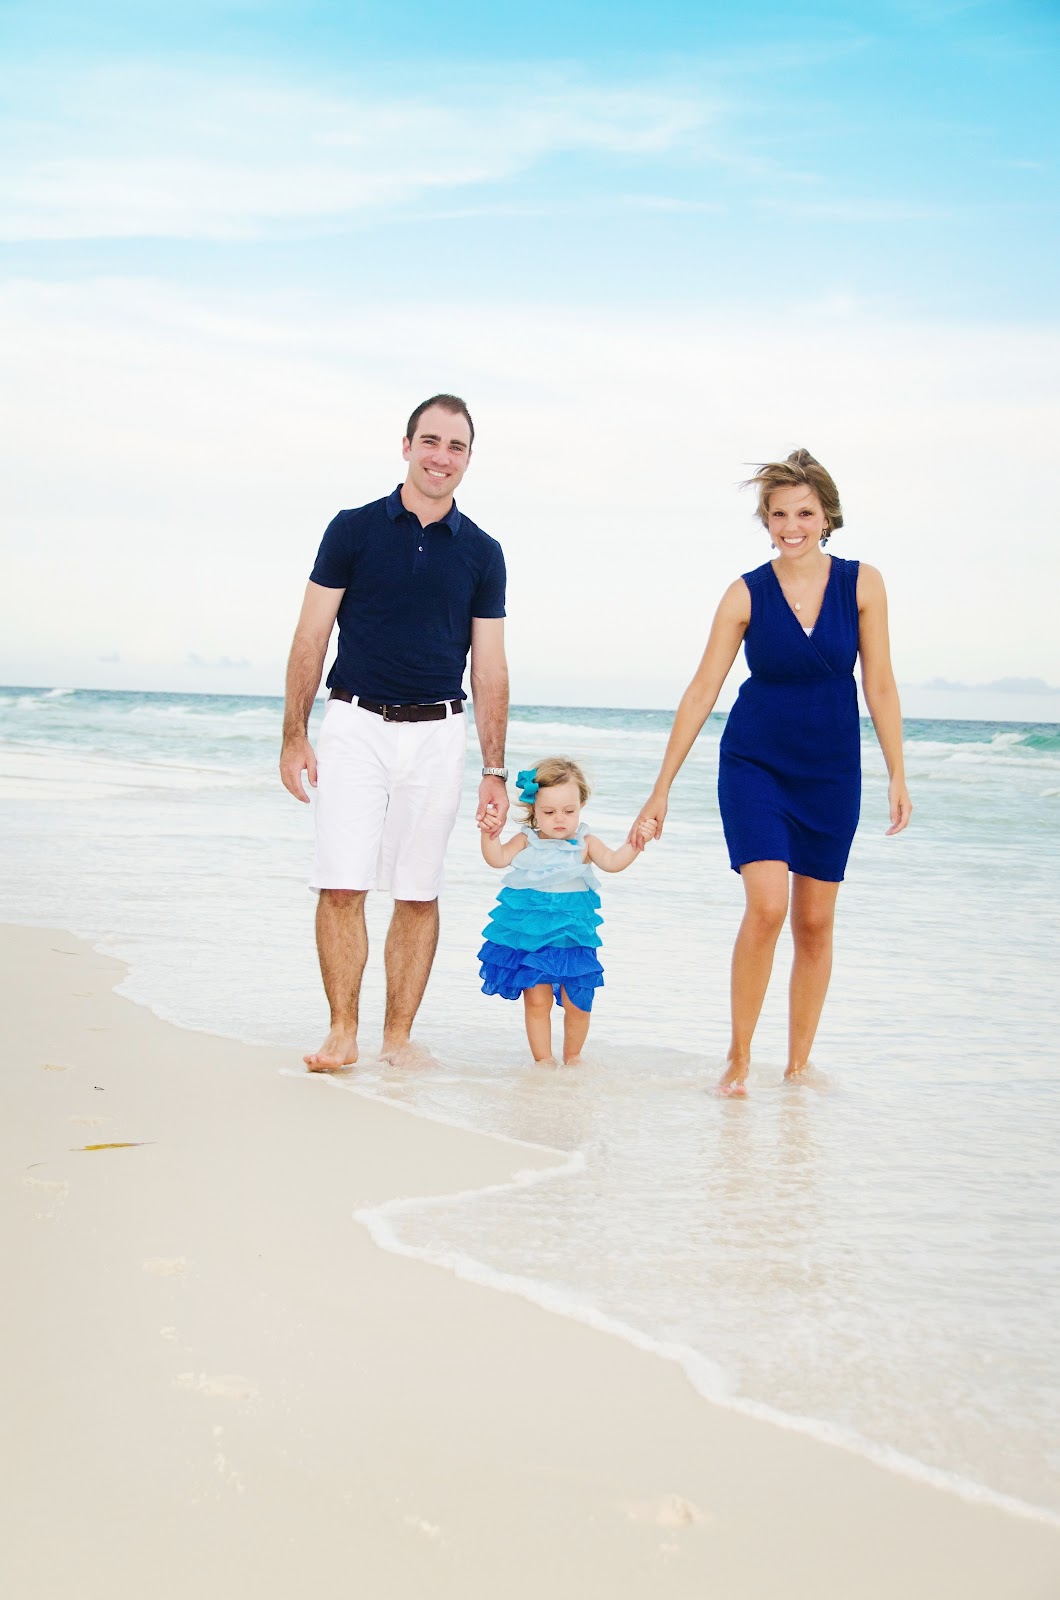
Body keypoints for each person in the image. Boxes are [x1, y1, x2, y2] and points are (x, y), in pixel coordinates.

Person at [631, 449, 911, 1095]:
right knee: (767, 906)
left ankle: (797, 1066)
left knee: (815, 922)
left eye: (804, 513)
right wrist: (661, 788)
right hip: (755, 762)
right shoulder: (745, 592)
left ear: (827, 517)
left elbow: (881, 685)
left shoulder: (863, 585)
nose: (792, 526)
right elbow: (702, 690)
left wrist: (897, 772)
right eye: (779, 514)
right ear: (765, 520)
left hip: (832, 770)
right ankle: (738, 1058)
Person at [279, 394, 511, 1071]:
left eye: (456, 446)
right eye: (430, 441)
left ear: (468, 458)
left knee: (418, 891)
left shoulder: (483, 553)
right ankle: (342, 1032)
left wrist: (494, 770)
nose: (442, 456)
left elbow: (490, 666)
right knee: (341, 883)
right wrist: (294, 734)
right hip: (354, 725)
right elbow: (311, 635)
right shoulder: (352, 530)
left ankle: (398, 1039)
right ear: (407, 446)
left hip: (439, 733)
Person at [479, 758, 656, 1066]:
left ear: (581, 805)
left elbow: (613, 862)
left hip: (573, 939)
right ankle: (544, 1061)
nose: (559, 819)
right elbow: (497, 859)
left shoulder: (585, 843)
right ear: (534, 809)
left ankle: (573, 1058)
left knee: (579, 1001)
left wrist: (637, 841)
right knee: (537, 1000)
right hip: (533, 938)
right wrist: (489, 835)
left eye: (569, 811)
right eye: (549, 812)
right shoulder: (526, 841)